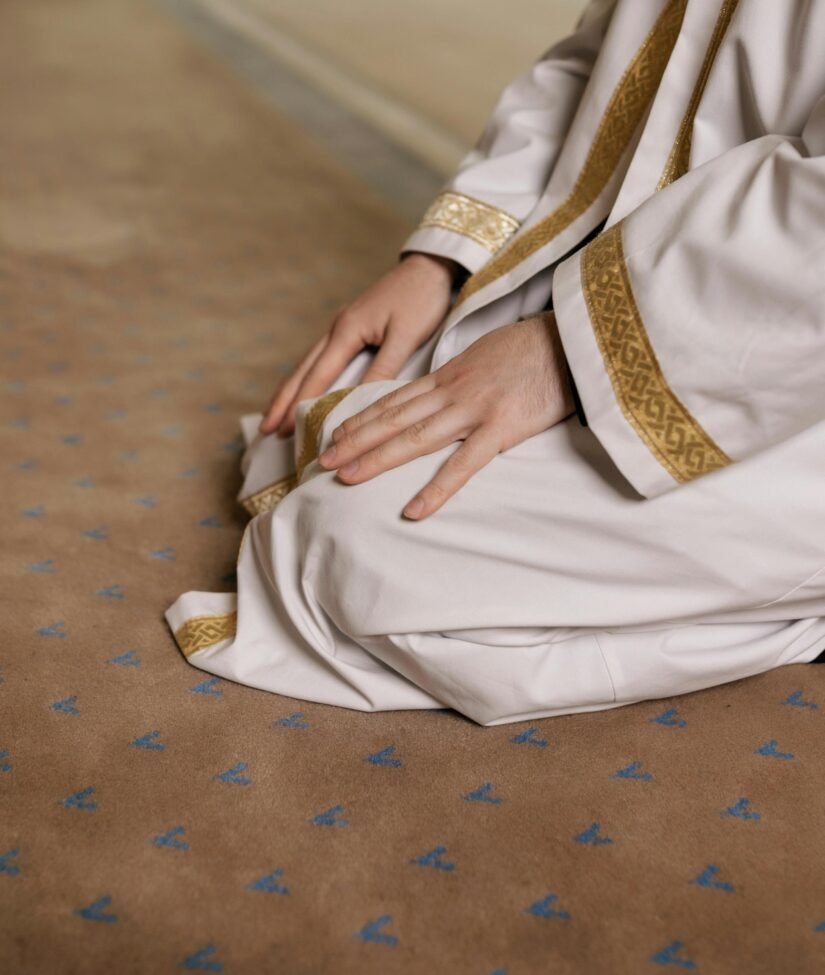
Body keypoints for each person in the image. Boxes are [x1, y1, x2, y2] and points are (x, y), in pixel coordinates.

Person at [165, 0, 825, 726]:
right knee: (336, 416)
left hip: (779, 356)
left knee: (355, 546)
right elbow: (599, 65)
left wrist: (564, 352)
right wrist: (442, 259)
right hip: (653, 278)